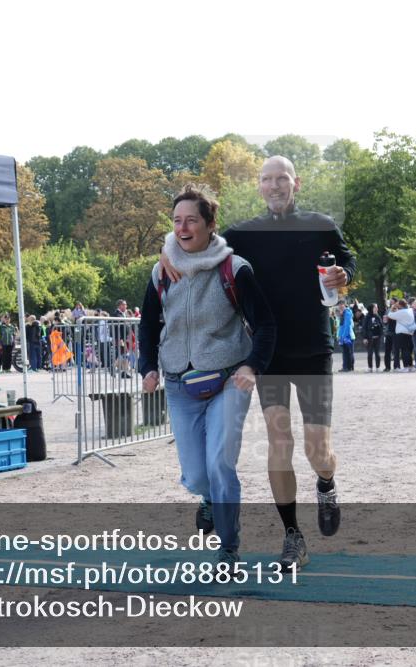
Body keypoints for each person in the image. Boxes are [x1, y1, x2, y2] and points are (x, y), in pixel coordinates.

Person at [158, 156, 355, 571]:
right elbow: (192, 236)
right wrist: (165, 253)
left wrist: (343, 275)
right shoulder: (243, 234)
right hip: (269, 353)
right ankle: (292, 536)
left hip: (314, 351)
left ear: (295, 183)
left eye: (282, 178)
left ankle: (326, 482)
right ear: (259, 187)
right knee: (280, 442)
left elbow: (346, 262)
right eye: (267, 179)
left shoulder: (321, 224)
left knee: (318, 449)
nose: (275, 186)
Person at [140, 184, 276, 571]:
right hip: (180, 382)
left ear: (211, 224)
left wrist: (252, 366)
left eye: (192, 220)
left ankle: (228, 548)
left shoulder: (235, 269)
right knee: (198, 476)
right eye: (176, 221)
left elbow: (264, 324)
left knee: (220, 464)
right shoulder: (161, 271)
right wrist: (148, 365)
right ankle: (208, 499)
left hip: (228, 378)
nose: (183, 228)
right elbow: (149, 322)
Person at [386, 298, 415, 371]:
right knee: (408, 350)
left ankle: (405, 367)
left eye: (398, 304)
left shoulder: (401, 312)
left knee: (404, 350)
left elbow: (390, 315)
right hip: (409, 332)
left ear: (401, 305)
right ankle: (410, 366)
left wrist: (392, 308)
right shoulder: (410, 310)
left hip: (401, 333)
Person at [361, 303, 383, 372]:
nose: (377, 309)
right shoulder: (367, 317)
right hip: (369, 338)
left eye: (377, 307)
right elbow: (364, 328)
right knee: (370, 353)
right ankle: (370, 367)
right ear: (371, 309)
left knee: (377, 353)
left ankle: (378, 367)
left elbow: (381, 326)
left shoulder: (378, 316)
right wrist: (365, 338)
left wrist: (380, 334)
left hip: (377, 338)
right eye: (375, 307)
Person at [336, 302, 355, 372]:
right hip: (343, 336)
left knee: (349, 352)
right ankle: (345, 367)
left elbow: (347, 326)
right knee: (345, 352)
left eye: (341, 304)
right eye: (339, 305)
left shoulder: (347, 313)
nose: (340, 306)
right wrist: (339, 336)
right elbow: (340, 327)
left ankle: (349, 367)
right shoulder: (341, 315)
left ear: (344, 305)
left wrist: (343, 336)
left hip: (348, 336)